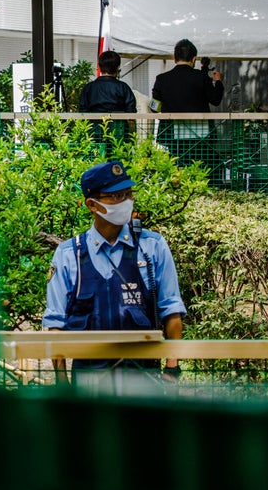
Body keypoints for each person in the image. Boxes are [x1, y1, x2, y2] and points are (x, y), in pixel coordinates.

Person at [43, 161, 185, 388]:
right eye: (116, 196)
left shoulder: (153, 246)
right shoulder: (69, 254)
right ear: (93, 204)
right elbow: (56, 324)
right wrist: (63, 384)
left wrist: (171, 368)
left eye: (128, 194)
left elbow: (171, 309)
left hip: (144, 377)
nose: (125, 202)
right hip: (89, 380)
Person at [150, 39, 224, 112]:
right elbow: (215, 100)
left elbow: (154, 108)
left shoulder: (161, 79)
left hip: (169, 124)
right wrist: (218, 81)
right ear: (194, 59)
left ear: (175, 59)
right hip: (199, 123)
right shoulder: (202, 77)